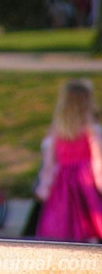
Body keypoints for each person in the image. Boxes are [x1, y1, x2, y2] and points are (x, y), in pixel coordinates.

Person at [35, 78, 102, 242]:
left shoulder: (57, 132)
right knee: (90, 218)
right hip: (86, 184)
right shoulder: (92, 131)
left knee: (64, 223)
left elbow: (49, 165)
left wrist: (44, 186)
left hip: (62, 185)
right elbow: (98, 162)